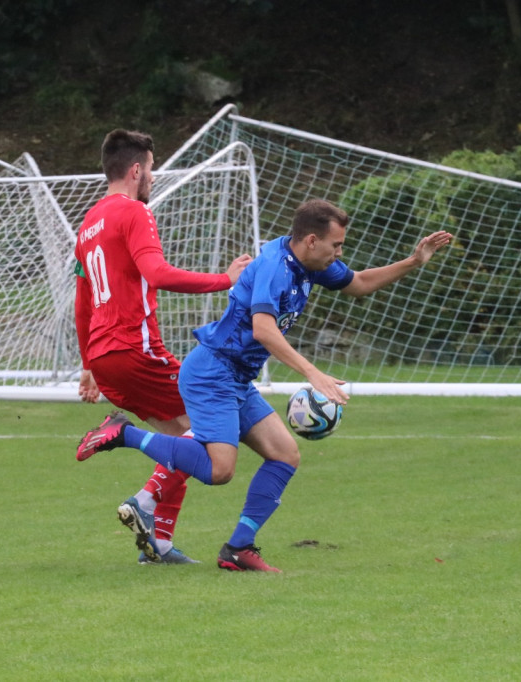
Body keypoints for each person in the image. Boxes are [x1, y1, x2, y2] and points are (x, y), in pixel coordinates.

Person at [77, 198, 453, 571]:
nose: (340, 253)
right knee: (219, 470)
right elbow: (263, 329)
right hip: (212, 373)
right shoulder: (275, 267)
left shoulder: (310, 263)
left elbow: (358, 283)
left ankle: (239, 548)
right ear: (310, 240)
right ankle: (122, 434)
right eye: (336, 245)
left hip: (236, 378)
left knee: (285, 454)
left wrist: (413, 261)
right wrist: (312, 373)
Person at [74, 129, 252, 565]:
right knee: (209, 435)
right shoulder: (133, 212)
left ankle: (160, 545)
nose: (153, 175)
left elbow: (83, 303)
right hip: (135, 349)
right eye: (152, 167)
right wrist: (224, 281)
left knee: (181, 440)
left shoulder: (87, 225)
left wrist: (88, 365)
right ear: (136, 170)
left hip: (105, 355)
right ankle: (143, 497)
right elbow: (157, 273)